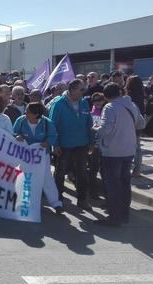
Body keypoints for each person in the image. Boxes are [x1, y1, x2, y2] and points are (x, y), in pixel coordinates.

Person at [93, 83, 146, 227]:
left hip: (112, 152)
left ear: (105, 95)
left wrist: (95, 127)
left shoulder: (110, 107)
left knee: (113, 185)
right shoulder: (132, 105)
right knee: (124, 183)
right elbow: (142, 124)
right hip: (129, 150)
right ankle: (124, 214)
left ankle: (114, 217)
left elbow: (106, 130)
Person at [49, 79, 93, 210]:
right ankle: (58, 200)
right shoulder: (58, 104)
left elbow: (89, 124)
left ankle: (82, 200)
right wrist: (55, 144)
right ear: (72, 89)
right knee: (60, 172)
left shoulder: (84, 103)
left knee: (82, 173)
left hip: (82, 143)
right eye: (81, 89)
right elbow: (52, 125)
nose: (83, 92)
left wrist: (91, 141)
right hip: (64, 144)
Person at [13, 102, 62, 213]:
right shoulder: (21, 121)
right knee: (23, 176)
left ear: (36, 114)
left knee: (46, 178)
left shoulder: (47, 123)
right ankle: (21, 200)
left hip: (42, 155)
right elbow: (13, 131)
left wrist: (48, 142)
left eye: (29, 112)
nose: (26, 113)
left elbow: (53, 135)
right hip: (24, 154)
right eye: (26, 111)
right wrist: (17, 136)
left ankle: (56, 203)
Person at [125, 75, 146, 177]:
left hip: (129, 124)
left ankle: (128, 168)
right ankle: (137, 169)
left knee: (129, 147)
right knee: (137, 148)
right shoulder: (142, 94)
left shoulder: (129, 96)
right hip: (138, 124)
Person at [88, 92, 106, 199]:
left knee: (104, 170)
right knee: (93, 169)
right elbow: (90, 131)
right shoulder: (90, 114)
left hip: (105, 146)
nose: (98, 102)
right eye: (96, 100)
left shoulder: (106, 113)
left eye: (100, 100)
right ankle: (93, 192)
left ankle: (105, 192)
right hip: (94, 146)